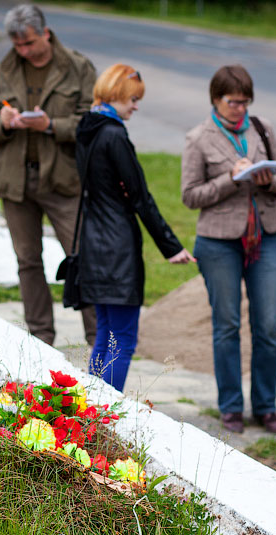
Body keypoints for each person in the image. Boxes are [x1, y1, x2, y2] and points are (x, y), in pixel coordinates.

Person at [0, 4, 97, 347]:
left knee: (82, 258)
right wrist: (4, 122)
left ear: (45, 33)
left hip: (64, 180)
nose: (24, 51)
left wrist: (51, 126)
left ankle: (99, 340)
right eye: (18, 45)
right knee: (28, 262)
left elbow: (94, 121)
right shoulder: (5, 69)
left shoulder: (77, 67)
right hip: (16, 181)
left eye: (29, 43)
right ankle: (41, 340)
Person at [181, 65, 276, 435]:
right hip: (218, 243)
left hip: (267, 235)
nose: (240, 109)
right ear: (216, 99)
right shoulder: (198, 138)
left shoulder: (263, 127)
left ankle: (266, 407)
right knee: (226, 325)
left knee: (269, 323)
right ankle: (230, 408)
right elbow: (190, 195)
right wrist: (230, 180)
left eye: (245, 102)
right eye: (233, 102)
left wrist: (268, 180)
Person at [74, 64, 193, 392]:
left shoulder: (88, 127)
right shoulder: (114, 134)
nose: (136, 106)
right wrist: (171, 246)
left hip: (93, 244)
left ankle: (91, 410)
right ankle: (106, 413)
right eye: (133, 99)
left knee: (105, 334)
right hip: (117, 247)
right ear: (115, 95)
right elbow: (140, 196)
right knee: (122, 339)